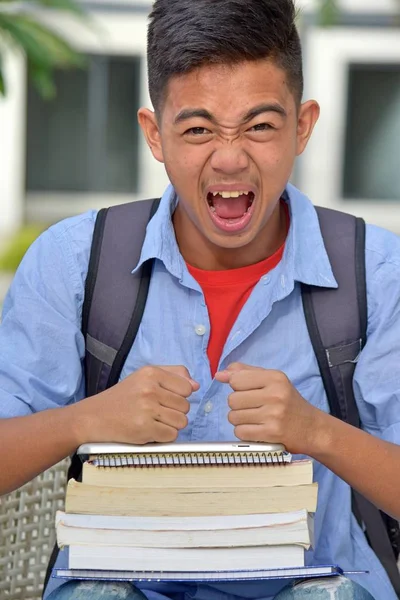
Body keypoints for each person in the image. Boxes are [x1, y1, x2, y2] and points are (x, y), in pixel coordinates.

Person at [1, 0, 400, 599]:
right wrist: (87, 420)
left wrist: (316, 432)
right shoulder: (73, 259)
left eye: (260, 126)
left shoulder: (379, 270)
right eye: (198, 129)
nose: (231, 156)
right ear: (154, 134)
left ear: (304, 126)